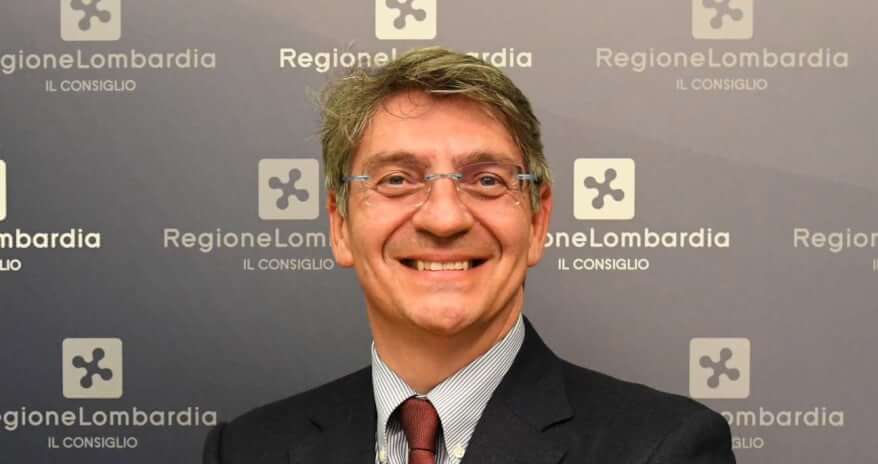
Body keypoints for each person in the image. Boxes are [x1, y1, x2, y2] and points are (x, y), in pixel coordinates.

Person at [203, 47, 735, 464]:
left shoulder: (663, 448)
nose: (445, 218)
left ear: (537, 221)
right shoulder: (246, 450)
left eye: (486, 180)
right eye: (397, 180)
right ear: (340, 225)